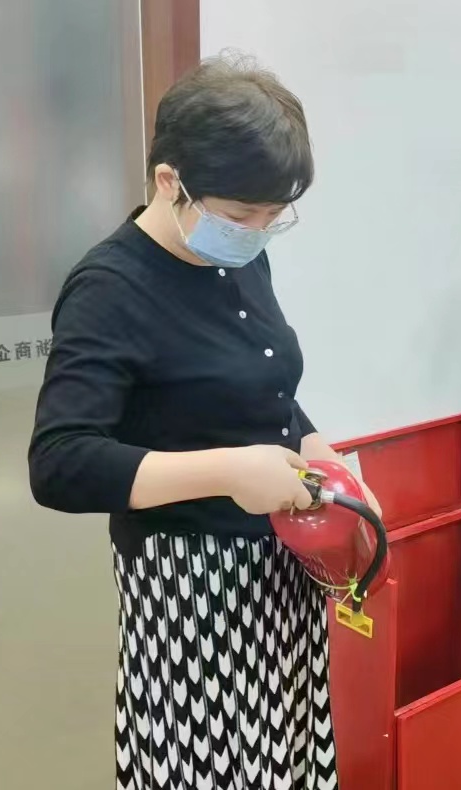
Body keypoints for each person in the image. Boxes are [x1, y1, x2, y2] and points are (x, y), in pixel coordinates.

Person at [28, 54, 377, 790]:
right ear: (169, 181)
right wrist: (227, 470)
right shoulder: (109, 288)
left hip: (276, 568)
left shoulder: (237, 253)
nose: (257, 232)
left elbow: (259, 386)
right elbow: (60, 462)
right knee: (208, 765)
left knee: (279, 752)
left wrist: (323, 455)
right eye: (242, 215)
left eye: (273, 216)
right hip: (190, 590)